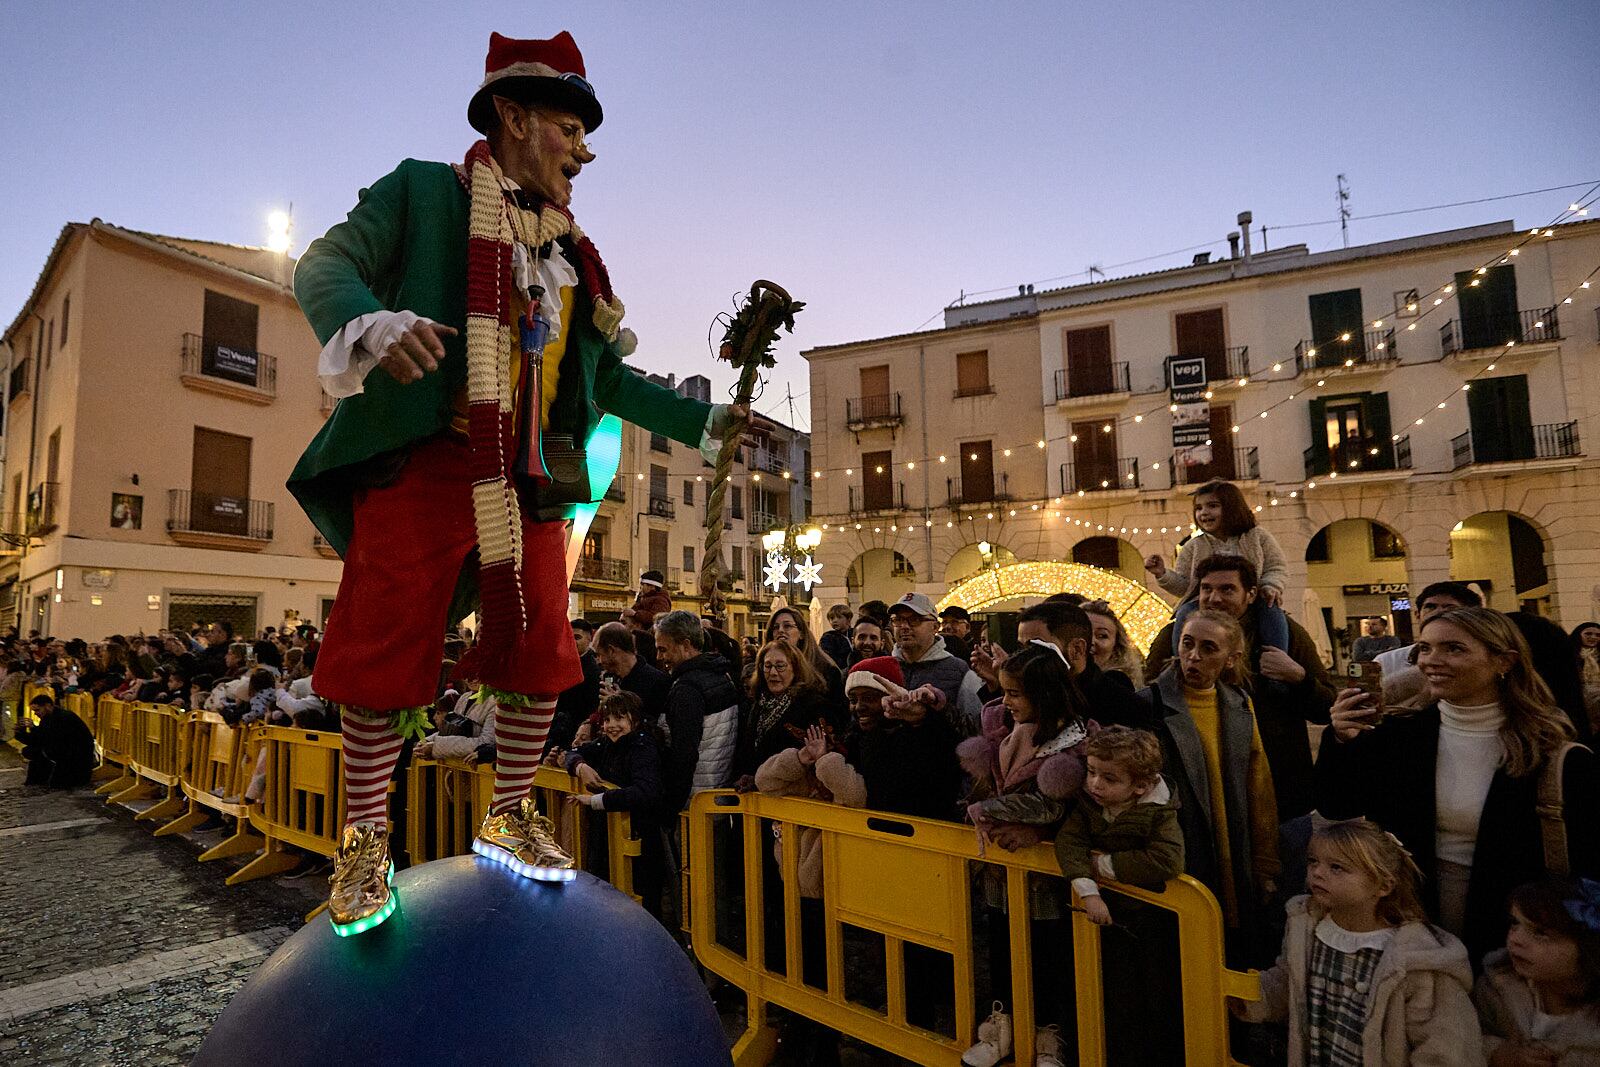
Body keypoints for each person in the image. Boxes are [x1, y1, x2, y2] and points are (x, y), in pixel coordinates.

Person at [287, 31, 755, 932]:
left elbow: (604, 381)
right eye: (569, 126)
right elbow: (324, 263)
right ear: (512, 116)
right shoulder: (425, 192)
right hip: (430, 460)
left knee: (543, 656)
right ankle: (364, 844)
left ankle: (507, 815)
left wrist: (701, 420)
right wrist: (373, 325)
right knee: (382, 655)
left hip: (534, 474)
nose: (583, 150)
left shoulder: (575, 257)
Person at [1317, 606, 1600, 967]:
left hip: (1515, 936)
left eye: (1454, 649)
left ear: (1504, 661)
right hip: (1412, 926)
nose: (1432, 661)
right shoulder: (1400, 736)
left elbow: (1585, 858)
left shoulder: (1552, 753)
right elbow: (1336, 805)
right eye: (1425, 648)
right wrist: (1341, 740)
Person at [1233, 820, 1483, 1065]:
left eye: (1337, 867)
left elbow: (1446, 1049)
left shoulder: (1417, 961)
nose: (1317, 872)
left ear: (1383, 885)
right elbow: (1288, 983)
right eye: (1313, 862)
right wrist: (1248, 995)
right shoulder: (1306, 927)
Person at [959, 642, 1090, 1067]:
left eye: (1015, 693)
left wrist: (988, 811)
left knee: (1047, 958)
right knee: (1002, 950)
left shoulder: (1071, 744)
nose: (1007, 700)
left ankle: (1049, 1037)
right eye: (1006, 691)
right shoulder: (1005, 732)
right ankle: (1003, 1027)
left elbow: (1053, 803)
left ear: (1044, 693)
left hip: (1045, 879)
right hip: (1002, 870)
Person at [1145, 555, 1335, 820]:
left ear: (1251, 594)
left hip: (1277, 786)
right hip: (1200, 787)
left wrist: (1298, 677)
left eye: (1227, 589)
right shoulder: (1176, 636)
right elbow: (1150, 696)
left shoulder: (1284, 635)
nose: (1214, 598)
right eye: (1206, 588)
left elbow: (1328, 709)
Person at [1142, 609, 1280, 960]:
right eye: (1187, 644)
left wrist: (1265, 862)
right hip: (1180, 850)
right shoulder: (1150, 704)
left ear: (1231, 659)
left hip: (1236, 849)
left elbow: (1259, 786)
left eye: (1208, 648)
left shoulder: (1238, 704)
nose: (1194, 656)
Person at [1055, 726, 1183, 926]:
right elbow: (1069, 841)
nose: (1095, 784)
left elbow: (1167, 860)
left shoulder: (1158, 814)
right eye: (1091, 772)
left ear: (1141, 786)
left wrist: (1100, 865)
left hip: (1143, 912)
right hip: (1096, 910)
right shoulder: (1089, 804)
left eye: (1109, 779)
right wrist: (1087, 891)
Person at [1144, 480, 1290, 655]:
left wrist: (1270, 586)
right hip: (1204, 603)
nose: (1204, 513)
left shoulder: (1258, 537)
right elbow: (1185, 586)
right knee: (1184, 613)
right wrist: (1163, 574)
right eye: (1198, 508)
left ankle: (1278, 661)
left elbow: (1276, 566)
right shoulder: (1193, 546)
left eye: (1212, 506)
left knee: (1272, 613)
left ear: (1232, 507)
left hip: (1252, 599)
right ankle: (1179, 661)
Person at [564, 691, 667, 919]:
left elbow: (646, 792)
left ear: (635, 719)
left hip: (638, 840)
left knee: (640, 906)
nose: (612, 725)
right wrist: (580, 767)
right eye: (608, 719)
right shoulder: (607, 744)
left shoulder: (643, 748)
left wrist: (595, 801)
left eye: (619, 719)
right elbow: (572, 753)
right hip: (610, 840)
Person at [1474, 879, 1600, 1064]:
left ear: (1588, 949)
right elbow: (1465, 1036)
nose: (1515, 939)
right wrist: (1497, 1052)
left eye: (1540, 933)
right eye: (1515, 924)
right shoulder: (1495, 987)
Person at [842, 657, 961, 821]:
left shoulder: (918, 734)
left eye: (869, 698)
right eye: (853, 700)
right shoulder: (855, 739)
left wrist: (922, 719)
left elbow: (947, 767)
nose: (859, 707)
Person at [654, 611, 740, 812]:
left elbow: (684, 753)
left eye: (663, 649)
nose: (659, 657)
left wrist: (671, 805)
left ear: (685, 645)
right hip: (718, 792)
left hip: (694, 798)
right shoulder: (722, 675)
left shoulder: (687, 689)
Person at [735, 641, 842, 787]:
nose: (773, 673)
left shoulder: (813, 706)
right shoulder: (759, 703)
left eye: (780, 666)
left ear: (795, 669)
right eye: (767, 666)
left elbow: (815, 760)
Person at [887, 592, 984, 734]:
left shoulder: (958, 670)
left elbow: (974, 727)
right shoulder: (884, 666)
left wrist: (935, 709)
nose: (904, 626)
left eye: (915, 620)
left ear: (935, 627)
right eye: (898, 620)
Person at [765, 606, 844, 707]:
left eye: (787, 626)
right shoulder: (766, 667)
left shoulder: (825, 669)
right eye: (775, 627)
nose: (780, 630)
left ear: (801, 633)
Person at [19, 693, 96, 788]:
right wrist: (20, 732)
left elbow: (51, 737)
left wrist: (34, 728)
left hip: (76, 754)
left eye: (37, 710)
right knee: (30, 751)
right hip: (64, 750)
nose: (36, 713)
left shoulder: (63, 717)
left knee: (40, 753)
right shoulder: (47, 718)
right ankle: (38, 780)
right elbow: (39, 739)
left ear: (48, 706)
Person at [550, 619, 602, 751]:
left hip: (575, 731)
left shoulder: (593, 669)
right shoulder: (561, 663)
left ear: (589, 639)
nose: (572, 642)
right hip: (557, 729)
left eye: (577, 637)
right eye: (569, 637)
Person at [1082, 599, 1146, 690]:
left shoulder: (1121, 691)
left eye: (1102, 636)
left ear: (1116, 647)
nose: (1091, 641)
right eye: (1084, 632)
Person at [1576, 622, 1600, 737]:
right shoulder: (1572, 655)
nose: (1593, 637)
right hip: (1580, 699)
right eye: (1588, 634)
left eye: (1597, 635)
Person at [818, 603, 854, 672]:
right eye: (832, 618)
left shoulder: (855, 633)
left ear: (848, 619)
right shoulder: (828, 637)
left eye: (839, 617)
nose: (834, 621)